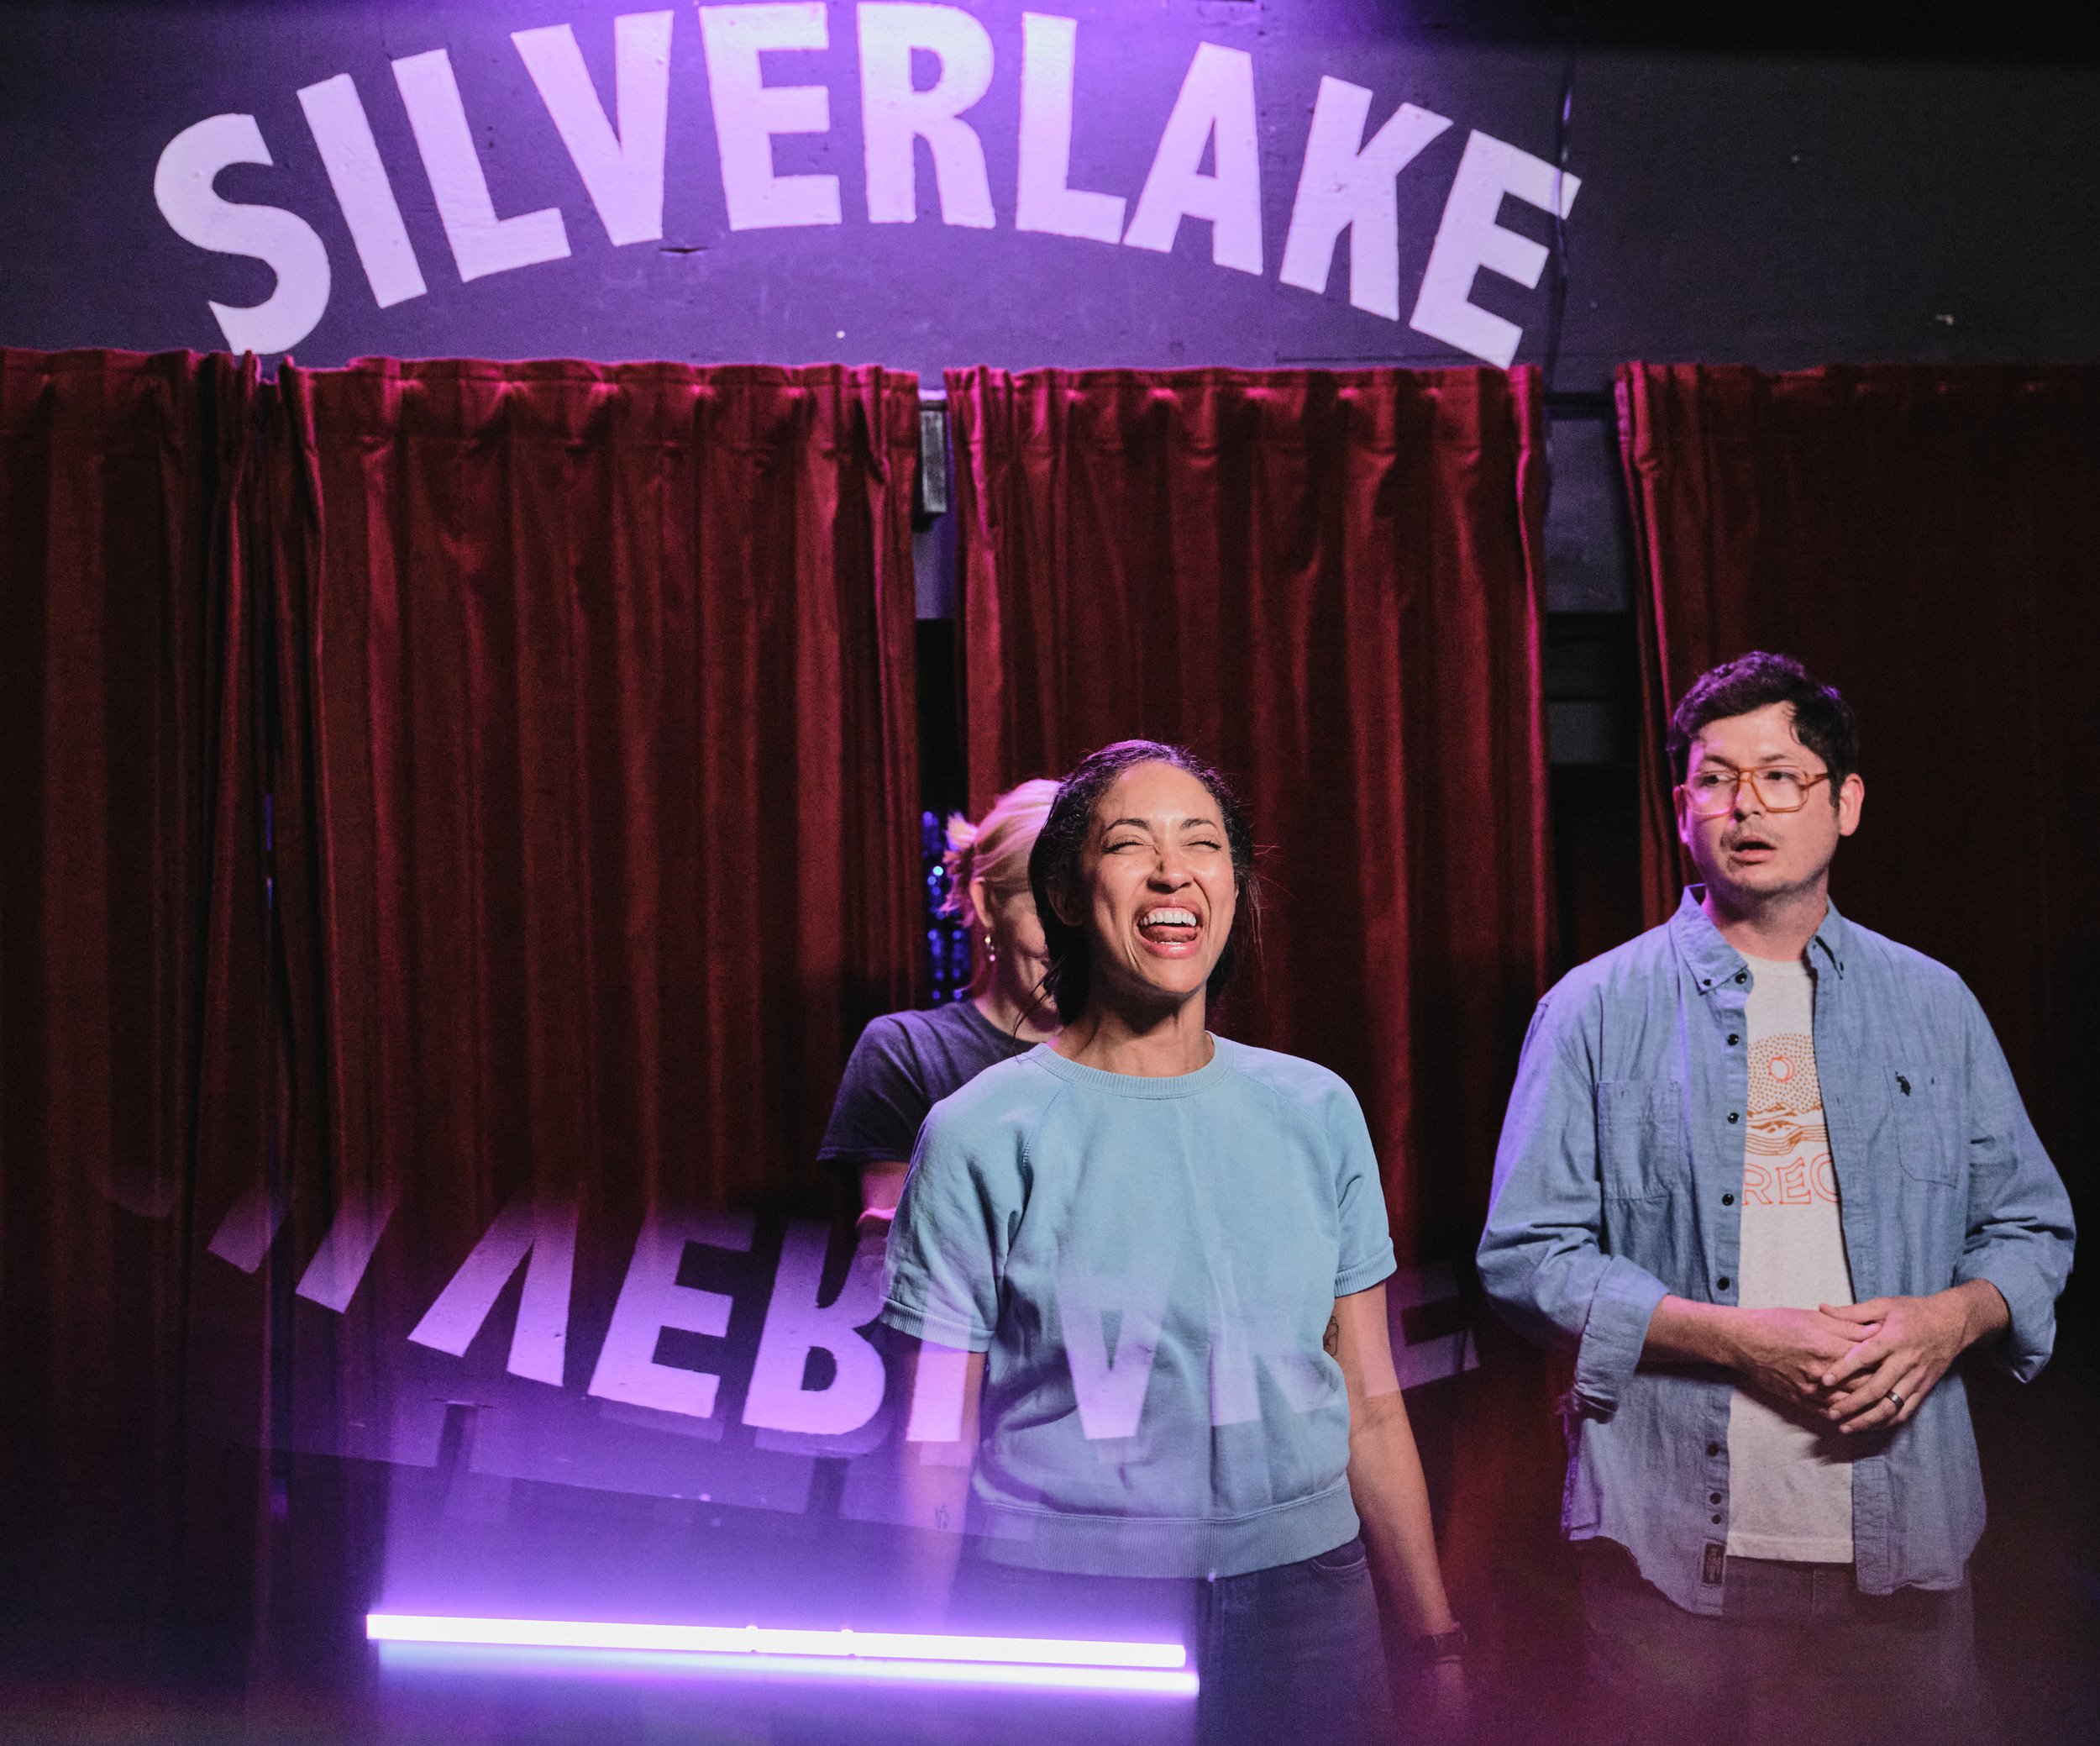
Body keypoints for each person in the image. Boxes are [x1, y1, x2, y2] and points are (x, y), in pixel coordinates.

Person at [1477, 652, 2075, 1746]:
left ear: (1844, 800)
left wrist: (1950, 1318)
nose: (1746, 804)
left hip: (1901, 1555)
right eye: (1715, 778)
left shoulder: (1935, 1005)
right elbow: (1527, 1255)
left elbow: (2032, 1227)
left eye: (1782, 775)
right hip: (1669, 1565)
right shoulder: (1595, 1010)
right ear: (1681, 806)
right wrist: (1737, 1341)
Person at [879, 739, 1465, 1746]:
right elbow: (938, 1435)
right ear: (1066, 889)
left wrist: (1436, 1638)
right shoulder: (981, 1129)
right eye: (1129, 843)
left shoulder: (1315, 1108)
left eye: (1202, 843)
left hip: (1308, 1600)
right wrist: (920, 1665)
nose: (1171, 870)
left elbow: (1369, 1402)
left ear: (1232, 886)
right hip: (1061, 1601)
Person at [818, 780, 1063, 1231]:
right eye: (1048, 907)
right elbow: (895, 1264)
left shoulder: (1140, 1056)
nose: (1072, 938)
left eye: (1092, 905)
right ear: (989, 905)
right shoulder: (907, 1052)